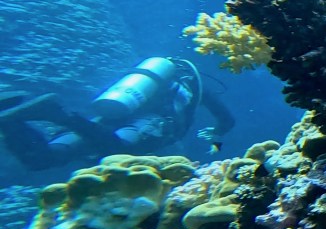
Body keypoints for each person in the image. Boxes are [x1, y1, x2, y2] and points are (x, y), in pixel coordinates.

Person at [0, 57, 235, 171]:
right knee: (123, 149)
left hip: (107, 117)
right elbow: (227, 119)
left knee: (42, 159)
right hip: (150, 122)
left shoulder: (142, 82)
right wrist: (217, 136)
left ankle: (10, 121)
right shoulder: (194, 85)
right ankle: (59, 114)